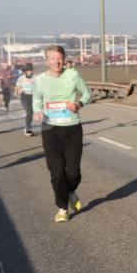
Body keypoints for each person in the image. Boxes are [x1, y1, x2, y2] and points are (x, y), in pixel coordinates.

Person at [33, 46, 91, 223]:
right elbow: (37, 99)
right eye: (52, 59)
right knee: (56, 172)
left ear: (64, 59)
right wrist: (37, 111)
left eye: (59, 58)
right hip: (50, 130)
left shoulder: (72, 75)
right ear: (47, 60)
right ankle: (62, 208)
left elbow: (88, 94)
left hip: (72, 129)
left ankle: (70, 190)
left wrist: (79, 103)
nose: (56, 62)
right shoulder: (40, 79)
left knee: (72, 172)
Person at [17, 64, 37, 136]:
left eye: (30, 70)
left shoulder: (35, 78)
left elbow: (39, 87)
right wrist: (20, 90)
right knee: (29, 112)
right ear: (25, 71)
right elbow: (17, 88)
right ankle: (28, 129)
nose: (29, 72)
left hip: (33, 97)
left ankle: (27, 127)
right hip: (25, 97)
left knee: (31, 113)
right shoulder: (21, 78)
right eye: (27, 70)